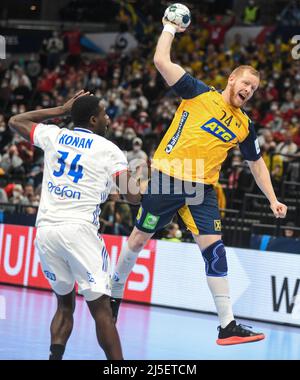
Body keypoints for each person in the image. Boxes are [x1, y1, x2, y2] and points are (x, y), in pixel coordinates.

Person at [110, 15, 288, 346]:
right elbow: (161, 60)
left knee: (215, 253)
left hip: (200, 189)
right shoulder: (198, 93)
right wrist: (168, 27)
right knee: (137, 240)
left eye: (254, 88)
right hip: (166, 179)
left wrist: (273, 198)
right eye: (245, 83)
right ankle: (114, 291)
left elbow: (257, 164)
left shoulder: (244, 126)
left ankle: (227, 325)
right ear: (232, 79)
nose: (248, 90)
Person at [8, 91, 141, 360]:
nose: (107, 119)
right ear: (93, 120)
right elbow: (133, 197)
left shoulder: (55, 136)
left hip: (45, 231)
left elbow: (15, 121)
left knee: (64, 304)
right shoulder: (109, 149)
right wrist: (138, 179)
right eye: (104, 114)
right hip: (79, 231)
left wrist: (61, 109)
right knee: (102, 309)